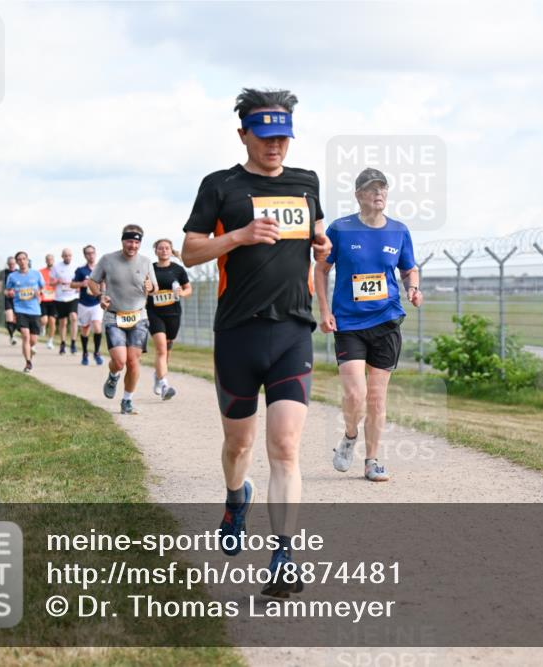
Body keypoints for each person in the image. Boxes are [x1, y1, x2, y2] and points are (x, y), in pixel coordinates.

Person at [181, 87, 330, 597]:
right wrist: (238, 237)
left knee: (285, 446)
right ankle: (233, 497)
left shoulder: (306, 182)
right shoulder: (220, 186)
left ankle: (285, 554)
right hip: (238, 333)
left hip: (292, 329)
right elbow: (191, 251)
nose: (276, 147)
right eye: (265, 137)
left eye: (283, 137)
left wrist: (322, 244)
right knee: (238, 444)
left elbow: (315, 237)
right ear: (243, 133)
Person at [315, 168, 422, 482]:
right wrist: (324, 310)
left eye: (383, 188)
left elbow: (409, 268)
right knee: (355, 396)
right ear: (359, 195)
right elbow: (320, 270)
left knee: (376, 398)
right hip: (348, 322)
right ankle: (349, 436)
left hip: (386, 320)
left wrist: (413, 287)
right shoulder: (341, 229)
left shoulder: (399, 231)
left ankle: (372, 460)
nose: (379, 194)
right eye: (372, 189)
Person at [88, 225, 157, 415]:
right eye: (129, 241)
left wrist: (150, 288)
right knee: (119, 361)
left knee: (133, 362)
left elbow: (154, 289)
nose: (132, 245)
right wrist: (100, 295)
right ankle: (113, 374)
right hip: (114, 316)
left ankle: (127, 401)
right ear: (122, 241)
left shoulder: (146, 262)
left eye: (136, 242)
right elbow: (92, 282)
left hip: (138, 317)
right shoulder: (108, 259)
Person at [147, 238, 192, 400]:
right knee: (161, 349)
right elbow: (143, 287)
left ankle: (158, 377)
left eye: (167, 248)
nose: (164, 250)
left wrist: (181, 293)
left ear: (171, 250)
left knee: (168, 348)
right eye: (160, 248)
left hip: (173, 313)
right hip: (154, 313)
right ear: (156, 251)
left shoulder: (178, 270)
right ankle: (165, 384)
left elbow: (188, 289)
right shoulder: (150, 269)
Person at [4, 251, 44, 373]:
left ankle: (30, 350)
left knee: (33, 340)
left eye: (24, 259)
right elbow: (6, 291)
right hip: (20, 309)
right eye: (19, 259)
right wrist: (9, 293)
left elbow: (43, 288)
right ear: (17, 262)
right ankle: (28, 363)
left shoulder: (36, 274)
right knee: (25, 336)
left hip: (35, 310)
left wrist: (39, 294)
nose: (22, 261)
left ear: (27, 260)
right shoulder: (12, 276)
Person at [70, 245, 105, 366]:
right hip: (84, 304)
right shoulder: (81, 270)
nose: (91, 255)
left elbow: (105, 283)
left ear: (95, 254)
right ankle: (85, 353)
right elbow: (72, 284)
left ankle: (96, 352)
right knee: (85, 330)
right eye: (88, 253)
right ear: (85, 255)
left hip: (96, 303)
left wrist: (103, 291)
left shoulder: (101, 269)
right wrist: (82, 283)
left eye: (92, 253)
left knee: (97, 327)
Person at [51, 248, 79, 355]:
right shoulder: (56, 267)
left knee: (74, 317)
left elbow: (80, 281)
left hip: (73, 297)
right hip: (60, 298)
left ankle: (73, 343)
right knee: (63, 322)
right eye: (65, 255)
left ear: (72, 256)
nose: (68, 257)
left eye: (69, 255)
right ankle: (63, 343)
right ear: (62, 256)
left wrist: (78, 287)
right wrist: (57, 281)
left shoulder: (76, 266)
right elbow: (51, 282)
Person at [39, 254, 58, 350]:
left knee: (52, 322)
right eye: (48, 259)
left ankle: (50, 341)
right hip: (43, 299)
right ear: (46, 261)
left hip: (54, 299)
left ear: (53, 260)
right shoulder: (41, 272)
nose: (49, 261)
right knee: (44, 320)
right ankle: (42, 326)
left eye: (51, 259)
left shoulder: (57, 271)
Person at [1, 256, 18, 344]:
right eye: (10, 264)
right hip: (7, 298)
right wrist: (4, 291)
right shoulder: (3, 273)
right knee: (9, 316)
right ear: (8, 264)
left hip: (17, 298)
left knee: (15, 319)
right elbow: (0, 285)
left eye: (13, 264)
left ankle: (12, 332)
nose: (12, 265)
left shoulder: (19, 273)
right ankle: (12, 336)